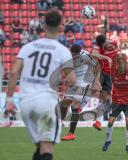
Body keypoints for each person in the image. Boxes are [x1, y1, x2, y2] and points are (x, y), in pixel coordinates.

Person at [4, 9, 76, 160]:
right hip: (46, 104)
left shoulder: (28, 47)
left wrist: (9, 100)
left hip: (25, 104)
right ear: (61, 27)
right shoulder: (62, 51)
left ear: (43, 26)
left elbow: (13, 73)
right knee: (47, 147)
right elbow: (72, 80)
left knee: (40, 147)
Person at [102, 53, 128, 154]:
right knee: (110, 122)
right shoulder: (113, 72)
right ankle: (108, 141)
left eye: (122, 63)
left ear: (125, 64)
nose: (120, 65)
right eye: (119, 63)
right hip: (117, 101)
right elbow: (110, 60)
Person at [60, 44, 101, 141]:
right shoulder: (67, 56)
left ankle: (71, 134)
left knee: (75, 106)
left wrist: (96, 81)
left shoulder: (86, 55)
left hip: (84, 83)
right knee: (64, 104)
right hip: (73, 82)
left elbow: (97, 66)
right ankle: (58, 123)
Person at [91, 35, 120, 130]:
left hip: (110, 75)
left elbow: (119, 57)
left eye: (105, 45)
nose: (104, 47)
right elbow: (94, 54)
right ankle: (79, 107)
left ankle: (98, 122)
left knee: (103, 97)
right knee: (93, 90)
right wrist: (106, 57)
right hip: (101, 72)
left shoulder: (114, 44)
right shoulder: (98, 45)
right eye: (102, 46)